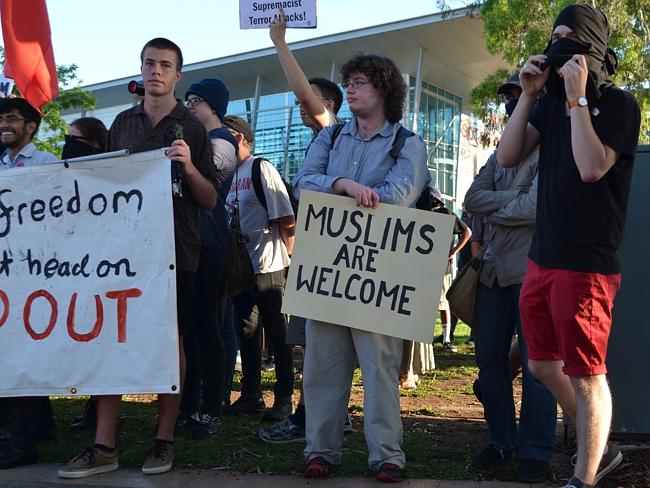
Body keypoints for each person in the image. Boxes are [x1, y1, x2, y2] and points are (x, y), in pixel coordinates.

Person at [59, 37, 218, 479]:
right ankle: (103, 444)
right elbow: (107, 186)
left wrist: (188, 167)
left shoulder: (193, 127)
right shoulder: (122, 124)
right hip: (122, 252)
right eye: (150, 63)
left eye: (165, 65)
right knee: (113, 337)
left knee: (172, 343)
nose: (156, 72)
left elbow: (209, 200)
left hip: (176, 250)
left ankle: (163, 439)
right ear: (142, 68)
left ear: (177, 74)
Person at [496, 5, 641, 488]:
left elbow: (591, 167)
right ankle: (601, 445)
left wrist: (578, 100)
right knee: (540, 363)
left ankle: (584, 476)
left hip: (586, 262)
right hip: (543, 255)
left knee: (586, 372)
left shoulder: (619, 104)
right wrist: (529, 95)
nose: (556, 45)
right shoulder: (549, 101)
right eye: (552, 36)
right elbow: (509, 155)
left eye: (567, 37)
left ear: (592, 47)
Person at [293, 53, 429, 482]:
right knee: (320, 370)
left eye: (360, 83)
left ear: (385, 90)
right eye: (347, 82)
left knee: (380, 370)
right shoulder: (330, 139)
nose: (349, 89)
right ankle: (320, 451)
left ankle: (387, 456)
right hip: (329, 270)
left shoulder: (407, 143)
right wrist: (344, 185)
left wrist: (350, 193)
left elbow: (399, 197)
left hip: (379, 275)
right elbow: (303, 182)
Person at [257, 9, 347, 444]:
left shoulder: (337, 135)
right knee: (316, 346)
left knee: (322, 349)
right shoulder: (319, 146)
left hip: (333, 263)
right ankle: (323, 416)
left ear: (327, 107)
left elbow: (308, 98)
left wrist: (279, 43)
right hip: (315, 261)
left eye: (305, 100)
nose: (299, 105)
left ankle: (315, 419)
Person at [464, 72, 557, 483]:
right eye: (510, 97)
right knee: (489, 364)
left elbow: (539, 207)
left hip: (532, 271)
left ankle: (536, 452)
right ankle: (502, 441)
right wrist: (512, 202)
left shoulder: (554, 148)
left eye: (522, 96)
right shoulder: (499, 151)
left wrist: (497, 206)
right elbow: (471, 198)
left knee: (538, 366)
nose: (513, 103)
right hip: (492, 275)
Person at [223, 116, 296, 421]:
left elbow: (286, 217)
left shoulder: (260, 167)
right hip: (239, 268)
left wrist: (287, 258)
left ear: (239, 138)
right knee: (246, 331)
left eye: (224, 137)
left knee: (277, 332)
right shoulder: (226, 175)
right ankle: (251, 394)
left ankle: (284, 396)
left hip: (268, 263)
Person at [0, 97, 58, 470]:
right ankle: (37, 429)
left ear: (31, 126)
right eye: (1, 118)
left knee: (26, 355)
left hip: (36, 273)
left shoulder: (48, 165)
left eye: (11, 118)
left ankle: (21, 442)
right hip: (6, 273)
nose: (4, 124)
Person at [179, 78, 238, 439]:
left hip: (208, 244)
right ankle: (188, 404)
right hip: (186, 242)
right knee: (186, 329)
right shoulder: (197, 139)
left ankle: (211, 407)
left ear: (213, 106)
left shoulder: (222, 141)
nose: (188, 107)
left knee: (206, 327)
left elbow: (211, 179)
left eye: (194, 101)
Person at [431, 188, 471, 353]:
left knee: (442, 301)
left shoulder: (446, 213)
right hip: (426, 264)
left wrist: (453, 251)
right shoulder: (421, 213)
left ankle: (447, 338)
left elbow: (467, 232)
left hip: (441, 264)